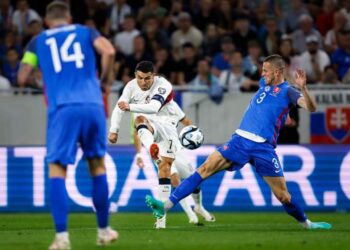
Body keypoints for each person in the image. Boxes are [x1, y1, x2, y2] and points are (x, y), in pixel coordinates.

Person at [145, 54, 332, 230]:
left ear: (277, 72)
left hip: (263, 148)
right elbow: (269, 107)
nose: (262, 74)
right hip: (239, 140)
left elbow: (311, 107)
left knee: (283, 196)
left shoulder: (289, 91)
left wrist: (303, 88)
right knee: (203, 170)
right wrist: (283, 117)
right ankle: (165, 206)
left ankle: (307, 223)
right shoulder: (263, 84)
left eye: (266, 70)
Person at [17, 2, 117, 249]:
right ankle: (104, 231)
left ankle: (62, 238)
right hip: (93, 104)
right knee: (97, 166)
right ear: (69, 18)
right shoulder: (85, 32)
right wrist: (104, 81)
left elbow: (22, 76)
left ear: (47, 21)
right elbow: (109, 51)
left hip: (63, 108)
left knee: (57, 170)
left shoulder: (37, 41)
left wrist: (45, 82)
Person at [108, 60, 182, 229]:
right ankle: (151, 149)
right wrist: (114, 130)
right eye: (140, 78)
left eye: (147, 78)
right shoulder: (131, 86)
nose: (143, 82)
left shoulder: (163, 85)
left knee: (165, 169)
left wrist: (130, 106)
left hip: (168, 127)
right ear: (136, 76)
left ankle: (161, 220)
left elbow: (154, 107)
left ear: (153, 76)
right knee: (139, 119)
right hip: (149, 124)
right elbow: (119, 107)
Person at [132, 102, 215, 225]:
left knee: (194, 180)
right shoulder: (140, 110)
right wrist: (139, 154)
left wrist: (194, 135)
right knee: (174, 178)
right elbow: (138, 133)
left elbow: (185, 121)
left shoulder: (171, 105)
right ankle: (189, 215)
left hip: (176, 149)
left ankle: (198, 207)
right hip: (159, 150)